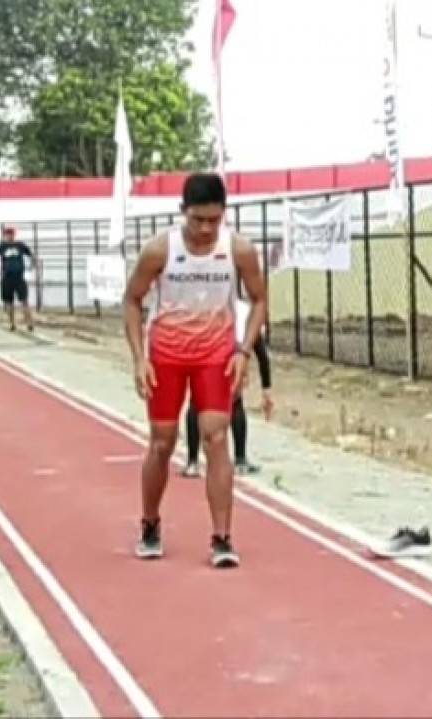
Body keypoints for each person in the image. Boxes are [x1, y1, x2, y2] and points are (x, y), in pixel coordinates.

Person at [122, 172, 267, 569]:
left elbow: (259, 299)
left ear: (224, 214)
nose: (205, 229)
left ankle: (222, 537)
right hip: (167, 355)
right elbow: (132, 300)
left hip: (215, 355)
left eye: (213, 220)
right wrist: (139, 358)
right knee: (162, 442)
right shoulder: (159, 250)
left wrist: (244, 351)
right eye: (197, 219)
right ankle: (150, 523)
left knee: (216, 438)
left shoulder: (238, 250)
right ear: (182, 211)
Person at [183, 296, 273, 477]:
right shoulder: (248, 311)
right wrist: (266, 389)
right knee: (235, 403)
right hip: (228, 350)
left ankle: (193, 462)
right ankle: (240, 460)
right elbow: (261, 353)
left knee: (197, 402)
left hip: (209, 348)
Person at [0, 227, 39, 332]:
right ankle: (12, 323)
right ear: (5, 235)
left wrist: (31, 266)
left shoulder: (20, 245)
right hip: (7, 277)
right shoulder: (1, 246)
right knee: (9, 302)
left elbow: (32, 256)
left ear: (14, 235)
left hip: (19, 277)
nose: (9, 236)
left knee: (24, 301)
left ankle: (29, 323)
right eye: (7, 234)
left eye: (11, 234)